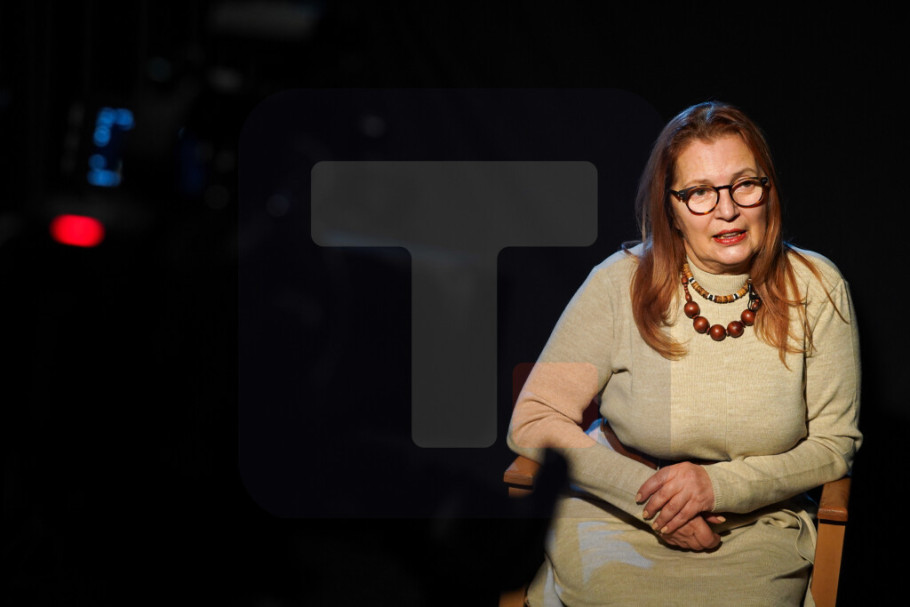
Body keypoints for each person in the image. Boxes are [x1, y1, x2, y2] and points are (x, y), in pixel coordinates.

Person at [507, 101, 861, 606]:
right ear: (670, 208)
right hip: (618, 518)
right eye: (699, 192)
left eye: (744, 184)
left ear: (768, 188)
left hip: (757, 527)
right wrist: (651, 498)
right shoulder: (619, 282)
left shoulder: (817, 287)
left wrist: (718, 486)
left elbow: (833, 445)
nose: (726, 210)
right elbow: (535, 418)